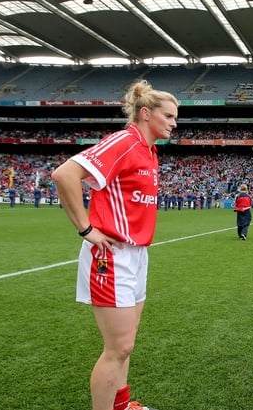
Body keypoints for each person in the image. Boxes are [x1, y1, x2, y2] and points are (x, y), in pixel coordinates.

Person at [51, 80, 178, 410]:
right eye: (169, 116)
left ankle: (122, 405)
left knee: (126, 345)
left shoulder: (149, 152)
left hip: (137, 255)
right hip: (111, 256)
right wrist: (86, 229)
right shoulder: (123, 141)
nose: (174, 123)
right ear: (146, 114)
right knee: (117, 348)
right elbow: (64, 174)